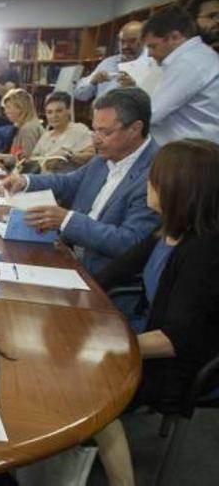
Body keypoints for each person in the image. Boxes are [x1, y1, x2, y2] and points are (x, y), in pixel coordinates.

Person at [92, 138, 219, 486]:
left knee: (89, 390)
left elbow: (173, 341)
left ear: (178, 188)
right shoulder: (168, 229)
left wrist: (103, 348)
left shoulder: (203, 252)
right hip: (145, 334)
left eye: (154, 176)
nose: (147, 181)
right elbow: (112, 273)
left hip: (175, 364)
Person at [0, 88, 161, 275]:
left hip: (103, 277)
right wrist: (25, 181)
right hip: (68, 255)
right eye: (95, 130)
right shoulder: (106, 157)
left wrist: (66, 220)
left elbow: (128, 242)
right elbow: (69, 183)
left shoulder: (156, 172)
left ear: (135, 129)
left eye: (105, 132)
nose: (96, 140)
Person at [140, 5, 219, 145]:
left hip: (193, 154)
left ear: (175, 37)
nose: (150, 54)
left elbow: (151, 114)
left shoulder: (189, 62)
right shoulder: (198, 56)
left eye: (153, 46)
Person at [74, 21, 145, 102]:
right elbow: (79, 94)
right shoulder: (107, 63)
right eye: (122, 41)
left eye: (132, 41)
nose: (125, 46)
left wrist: (134, 87)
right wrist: (93, 81)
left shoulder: (152, 66)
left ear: (144, 40)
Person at [30, 91, 95, 173]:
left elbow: (91, 155)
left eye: (59, 111)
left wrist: (68, 156)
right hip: (42, 180)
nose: (54, 116)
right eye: (49, 112)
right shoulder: (46, 136)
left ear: (68, 111)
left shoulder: (78, 129)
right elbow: (33, 159)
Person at [0, 88, 45, 173]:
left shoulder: (29, 129)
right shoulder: (23, 127)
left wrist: (4, 159)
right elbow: (18, 156)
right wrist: (3, 157)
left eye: (8, 107)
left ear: (21, 108)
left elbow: (28, 161)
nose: (6, 112)